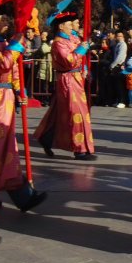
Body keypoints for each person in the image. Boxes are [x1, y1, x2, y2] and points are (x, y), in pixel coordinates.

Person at [0, 2, 47, 213]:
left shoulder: (2, 43)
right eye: (1, 20)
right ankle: (19, 195)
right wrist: (16, 43)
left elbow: (13, 69)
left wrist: (19, 90)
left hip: (4, 99)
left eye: (7, 19)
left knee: (3, 148)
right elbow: (2, 63)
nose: (6, 23)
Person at [33, 12, 96, 161]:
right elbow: (69, 61)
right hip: (67, 79)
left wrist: (84, 67)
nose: (72, 27)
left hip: (76, 77)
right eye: (69, 25)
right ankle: (79, 149)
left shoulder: (72, 38)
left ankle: (46, 137)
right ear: (61, 27)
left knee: (60, 110)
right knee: (76, 113)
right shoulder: (58, 42)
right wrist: (81, 49)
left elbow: (80, 57)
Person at [111, 32, 128, 108]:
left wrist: (113, 64)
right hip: (116, 66)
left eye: (120, 36)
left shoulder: (123, 45)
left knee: (120, 85)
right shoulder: (117, 45)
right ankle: (118, 100)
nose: (118, 37)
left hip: (119, 65)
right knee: (117, 85)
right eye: (117, 36)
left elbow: (120, 56)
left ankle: (122, 101)